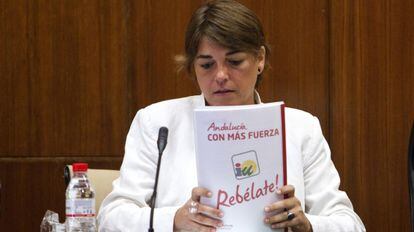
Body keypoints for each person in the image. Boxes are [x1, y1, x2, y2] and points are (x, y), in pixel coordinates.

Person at [97, 0, 366, 231]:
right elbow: (110, 217)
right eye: (206, 65)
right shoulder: (158, 123)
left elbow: (350, 223)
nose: (221, 76)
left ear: (259, 58)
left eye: (235, 61)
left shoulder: (300, 127)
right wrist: (175, 221)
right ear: (193, 66)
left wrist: (306, 224)